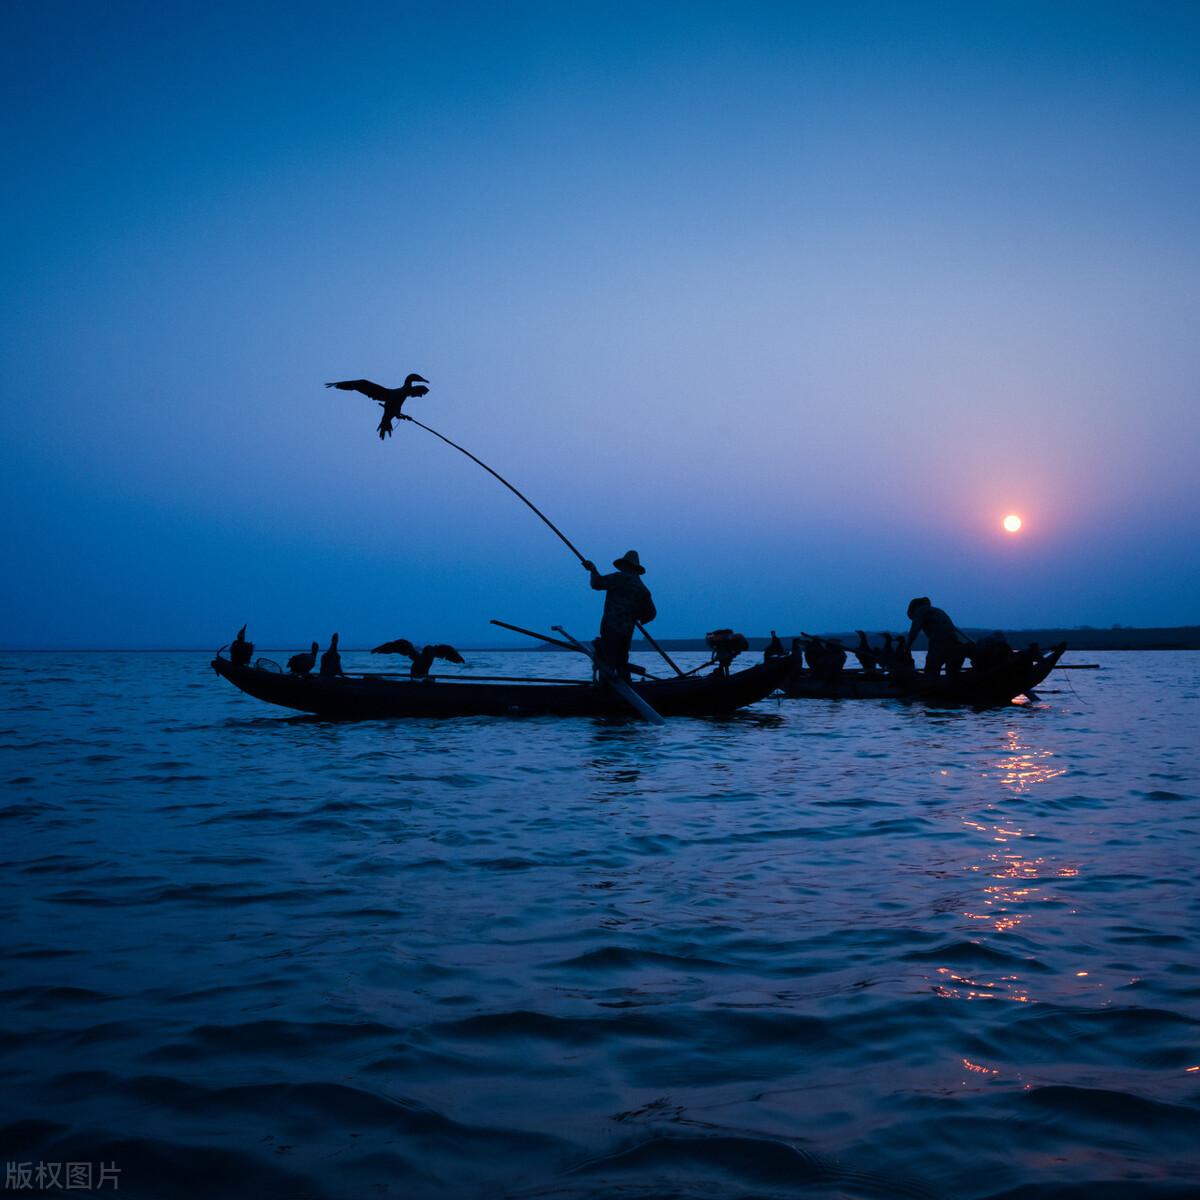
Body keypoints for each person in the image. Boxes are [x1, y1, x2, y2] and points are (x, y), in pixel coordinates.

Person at [581, 550, 657, 680]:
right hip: (627, 632)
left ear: (626, 566)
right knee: (621, 661)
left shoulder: (619, 578)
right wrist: (638, 618)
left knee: (607, 661)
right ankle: (625, 686)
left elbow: (597, 583)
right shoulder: (642, 588)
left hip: (611, 628)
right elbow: (651, 613)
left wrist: (593, 570)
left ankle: (607, 691)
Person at [905, 597, 969, 678]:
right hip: (955, 645)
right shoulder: (939, 611)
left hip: (939, 644)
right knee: (952, 675)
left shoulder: (921, 611)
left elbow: (914, 630)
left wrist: (907, 646)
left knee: (930, 674)